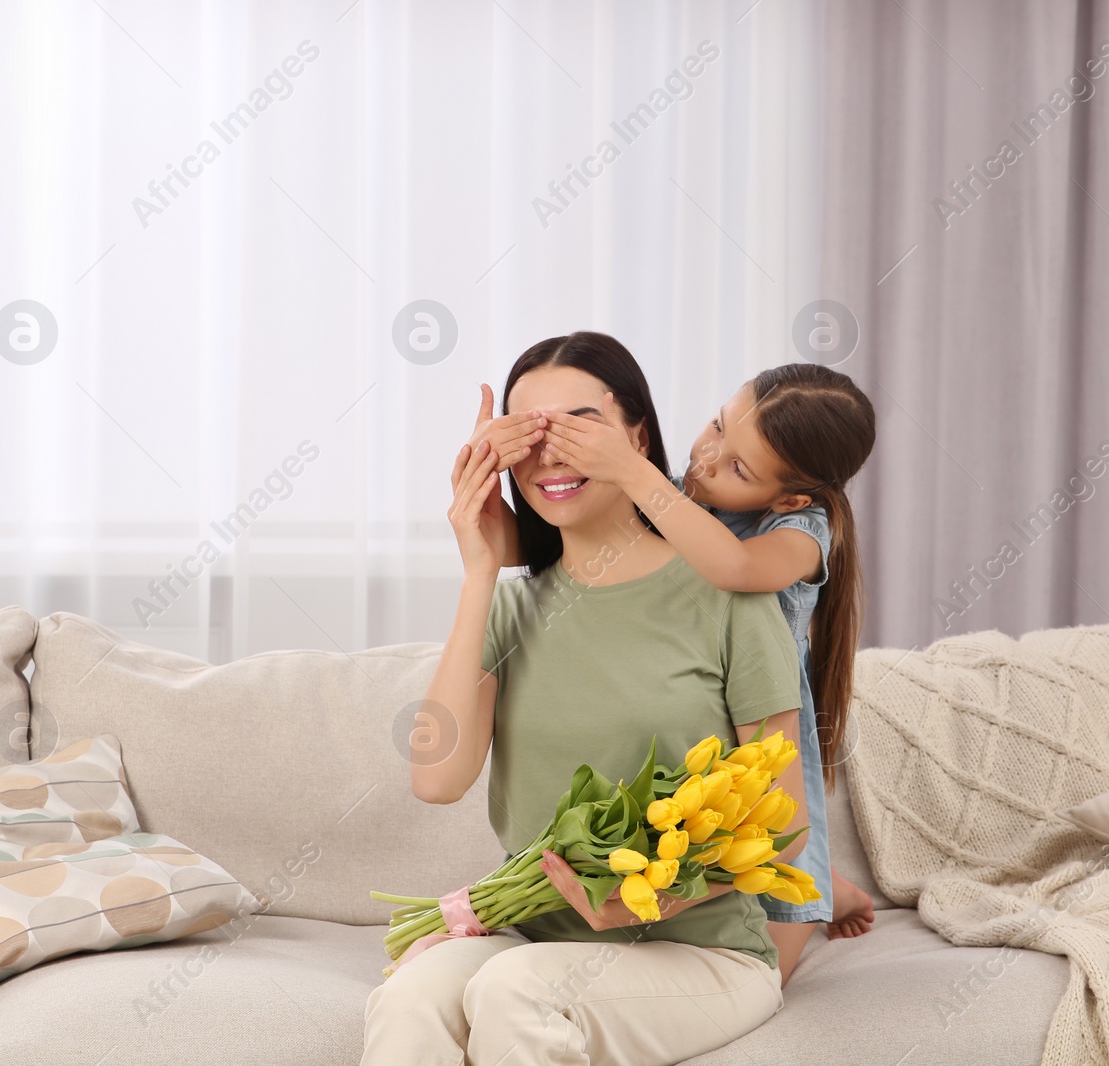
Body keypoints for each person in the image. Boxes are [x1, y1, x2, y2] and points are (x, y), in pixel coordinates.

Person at [360, 332, 810, 1066]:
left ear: (637, 434)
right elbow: (436, 779)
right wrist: (479, 569)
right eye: (526, 435)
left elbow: (783, 826)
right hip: (536, 942)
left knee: (514, 991)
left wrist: (652, 897)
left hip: (702, 953)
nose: (552, 454)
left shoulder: (730, 600)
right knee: (410, 994)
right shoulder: (511, 609)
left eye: (576, 425)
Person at [467, 363, 880, 986]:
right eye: (716, 425)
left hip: (764, 715)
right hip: (724, 717)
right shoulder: (687, 493)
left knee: (787, 872)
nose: (708, 459)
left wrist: (633, 471)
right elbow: (557, 543)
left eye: (740, 467)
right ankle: (833, 885)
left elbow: (735, 566)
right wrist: (499, 471)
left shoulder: (801, 530)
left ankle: (831, 892)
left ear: (791, 495)